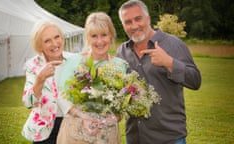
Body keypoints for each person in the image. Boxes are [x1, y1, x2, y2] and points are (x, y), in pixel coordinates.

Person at [116, 0, 202, 144]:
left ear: (148, 18)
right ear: (123, 26)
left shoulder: (173, 44)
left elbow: (195, 81)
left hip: (169, 138)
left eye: (138, 19)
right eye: (128, 22)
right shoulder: (122, 51)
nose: (134, 26)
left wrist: (169, 63)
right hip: (135, 138)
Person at [55, 12, 127, 144]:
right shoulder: (74, 62)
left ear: (111, 36)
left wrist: (116, 117)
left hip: (107, 134)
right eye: (94, 36)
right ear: (87, 38)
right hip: (76, 131)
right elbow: (60, 96)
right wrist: (83, 116)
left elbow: (122, 103)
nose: (99, 41)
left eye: (104, 35)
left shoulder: (120, 66)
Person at [21, 20, 75, 143]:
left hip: (72, 126)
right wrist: (40, 79)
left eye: (57, 37)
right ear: (39, 46)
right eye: (47, 40)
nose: (55, 43)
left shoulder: (75, 60)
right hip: (44, 129)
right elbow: (28, 102)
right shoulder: (33, 66)